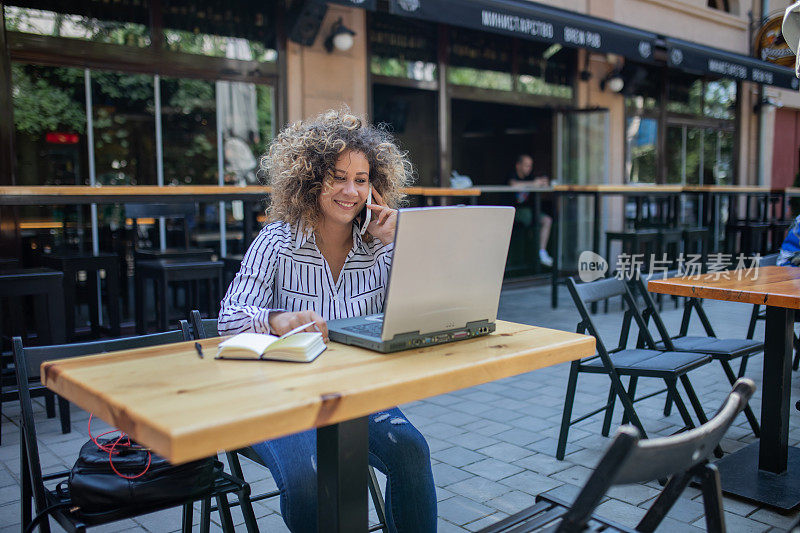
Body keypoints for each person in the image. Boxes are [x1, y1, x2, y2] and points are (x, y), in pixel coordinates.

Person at [217, 109, 436, 533]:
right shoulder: (278, 239)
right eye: (337, 177)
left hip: (355, 393)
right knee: (309, 480)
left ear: (375, 187)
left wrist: (403, 242)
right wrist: (278, 319)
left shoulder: (381, 246)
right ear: (312, 179)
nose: (350, 190)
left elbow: (426, 309)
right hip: (281, 397)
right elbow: (229, 320)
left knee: (412, 452)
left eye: (361, 179)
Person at [507, 154, 554, 267]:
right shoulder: (512, 175)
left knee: (547, 220)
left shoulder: (530, 177)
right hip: (513, 212)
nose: (529, 168)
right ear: (518, 166)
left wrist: (543, 182)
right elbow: (513, 184)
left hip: (531, 212)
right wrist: (534, 183)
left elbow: (542, 184)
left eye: (530, 166)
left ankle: (541, 252)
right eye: (526, 165)